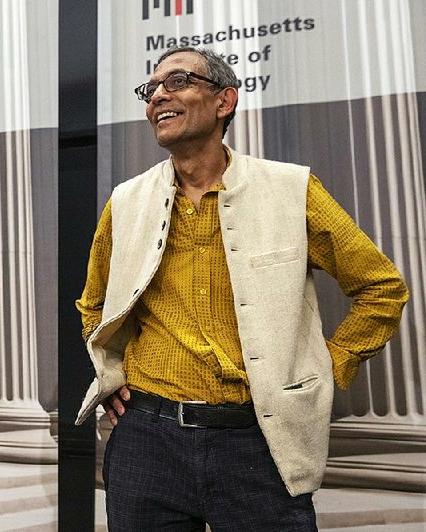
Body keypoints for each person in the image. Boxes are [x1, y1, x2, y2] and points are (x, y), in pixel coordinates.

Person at [74, 47, 408, 530]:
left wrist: (328, 366)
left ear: (224, 100)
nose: (157, 97)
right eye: (150, 90)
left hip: (258, 442)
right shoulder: (126, 201)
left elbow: (381, 287)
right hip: (145, 443)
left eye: (177, 81)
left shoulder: (291, 190)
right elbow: (94, 303)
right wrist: (111, 373)